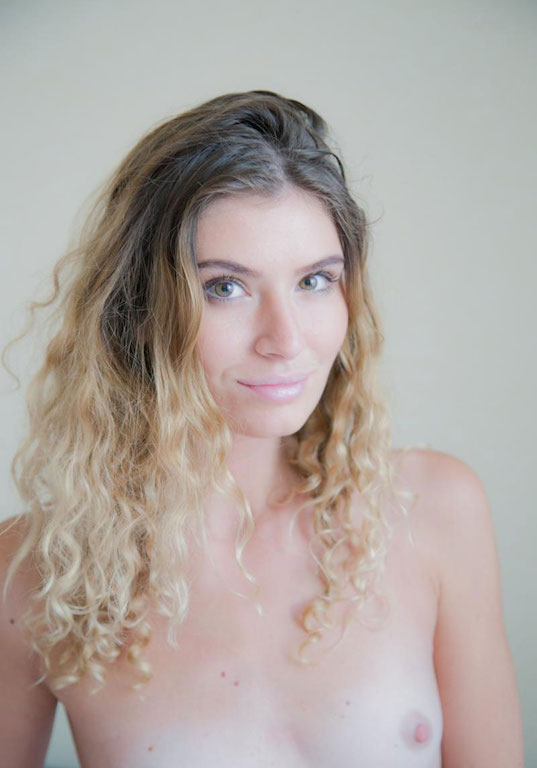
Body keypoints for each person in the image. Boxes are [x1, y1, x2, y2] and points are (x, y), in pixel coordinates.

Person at [0, 90, 523, 767]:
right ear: (138, 309)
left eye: (314, 281)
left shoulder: (434, 509)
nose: (285, 339)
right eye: (226, 287)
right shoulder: (34, 575)